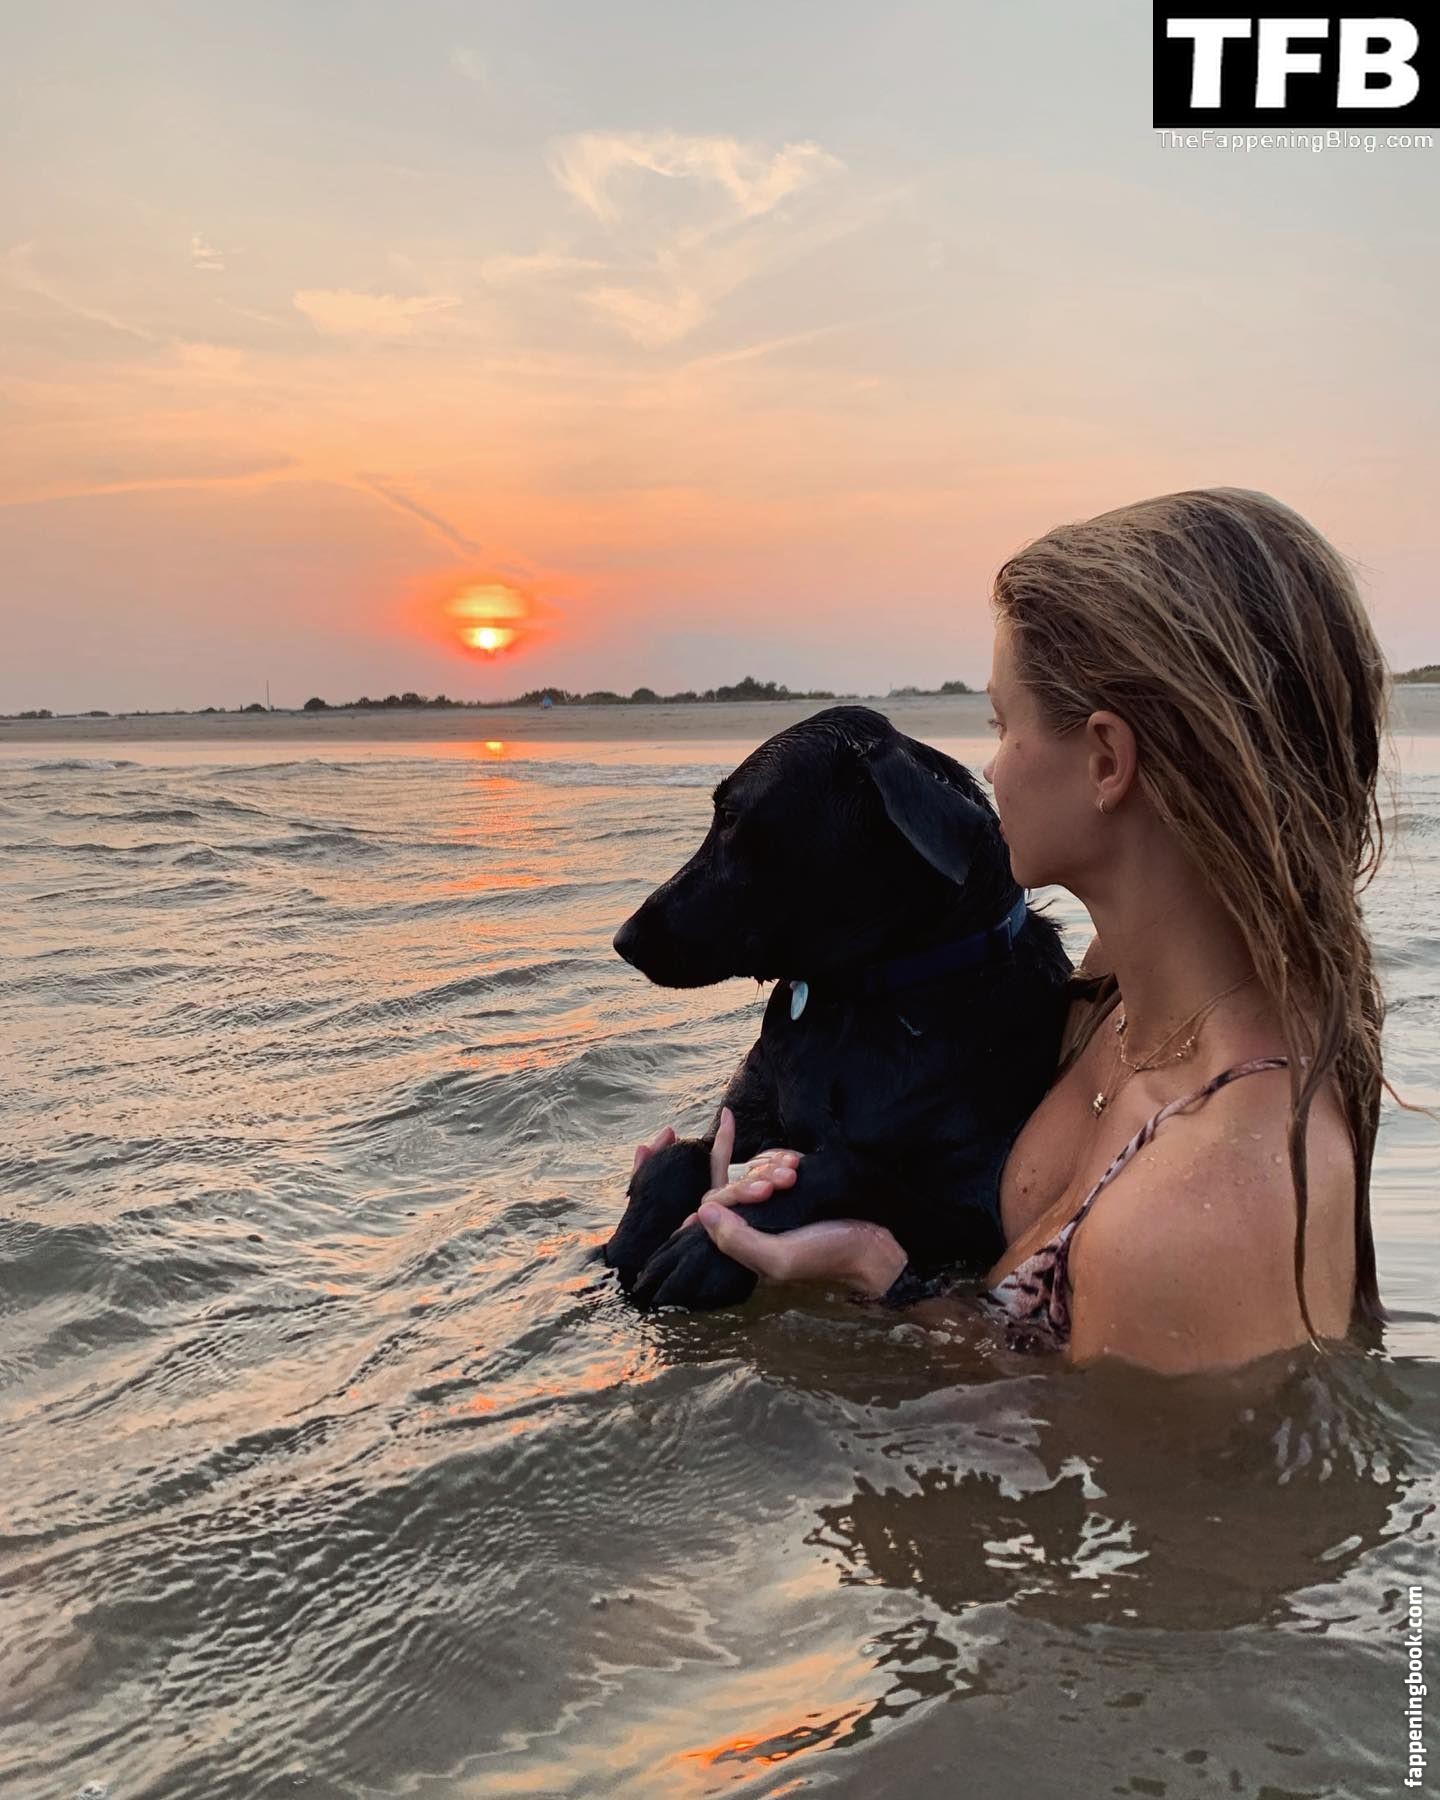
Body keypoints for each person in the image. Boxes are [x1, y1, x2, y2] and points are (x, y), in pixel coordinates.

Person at [630, 488, 1398, 1376]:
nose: (989, 770)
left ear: (1106, 760)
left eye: (1003, 724)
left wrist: (877, 1280)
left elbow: (1054, 1449)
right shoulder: (1118, 989)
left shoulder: (1213, 1199)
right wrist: (856, 1246)